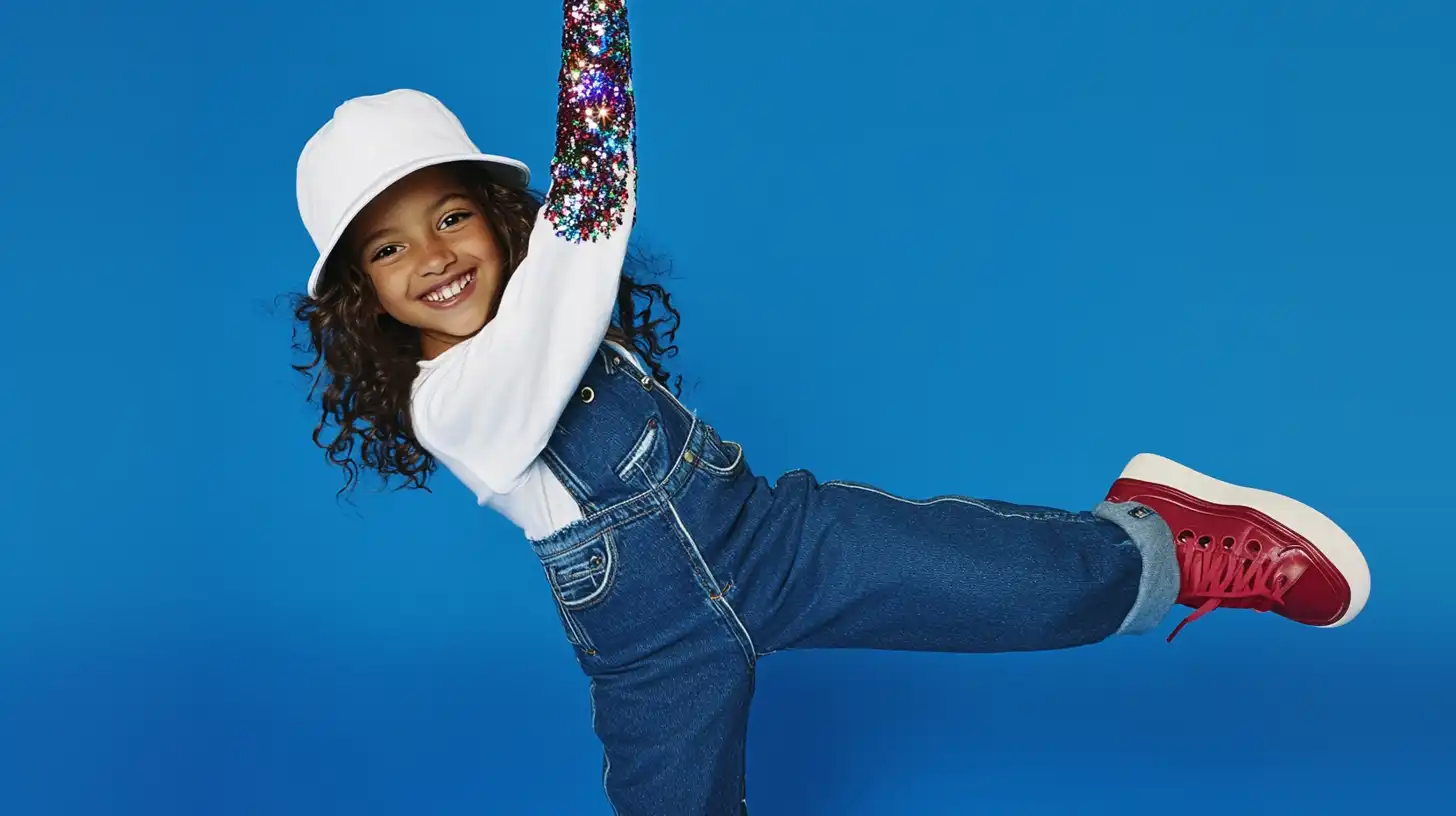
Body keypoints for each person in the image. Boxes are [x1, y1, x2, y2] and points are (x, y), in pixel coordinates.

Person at [289, 1, 1371, 813]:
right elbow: (584, 230)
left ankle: (1166, 543)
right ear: (362, 298)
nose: (432, 257)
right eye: (389, 248)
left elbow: (568, 260)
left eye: (451, 217)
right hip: (653, 648)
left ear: (495, 217)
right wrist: (594, 32)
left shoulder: (543, 301)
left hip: (768, 536)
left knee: (1013, 589)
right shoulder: (452, 403)